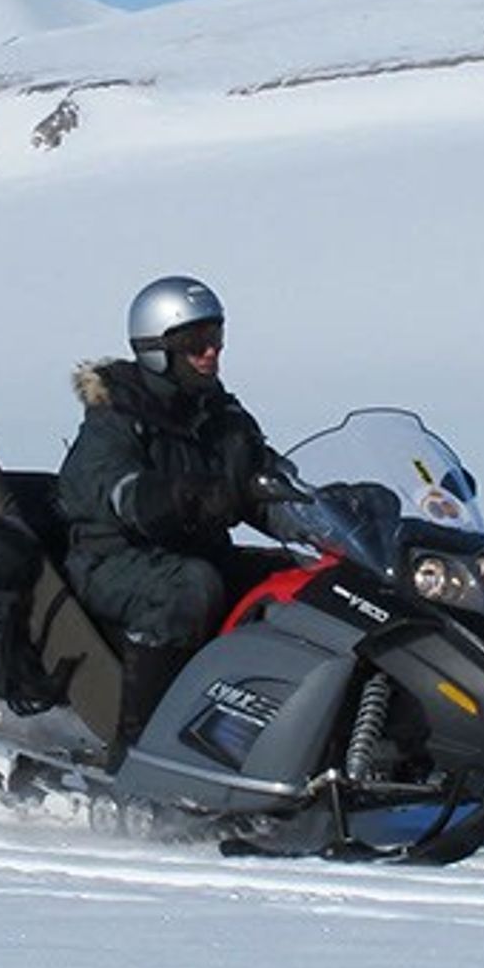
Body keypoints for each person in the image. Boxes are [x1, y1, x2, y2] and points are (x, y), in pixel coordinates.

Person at [58, 274, 294, 750]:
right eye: (193, 342)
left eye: (215, 338)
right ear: (155, 349)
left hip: (193, 552)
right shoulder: (117, 414)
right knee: (190, 588)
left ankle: (272, 740)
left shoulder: (221, 417)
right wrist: (181, 496)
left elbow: (265, 483)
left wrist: (334, 509)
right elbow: (116, 490)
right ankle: (140, 750)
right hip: (114, 561)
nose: (210, 353)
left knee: (295, 581)